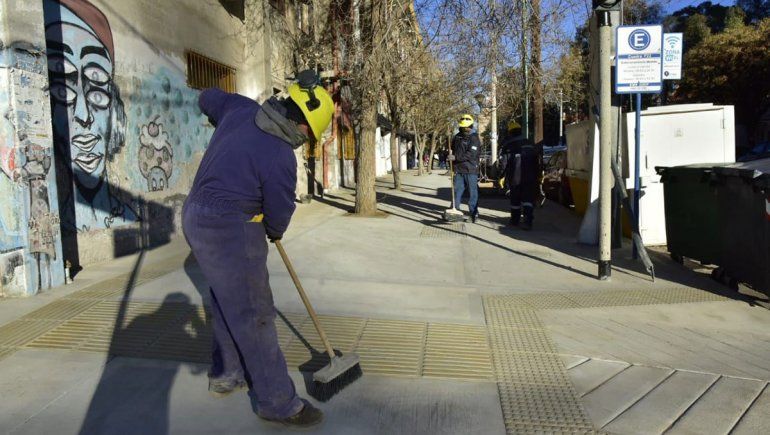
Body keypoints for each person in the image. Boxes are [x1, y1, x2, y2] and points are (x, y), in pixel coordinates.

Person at [182, 70, 334, 428]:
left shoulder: (239, 108)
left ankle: (227, 374)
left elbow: (207, 97)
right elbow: (279, 213)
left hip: (194, 216)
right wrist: (273, 230)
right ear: (302, 126)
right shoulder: (280, 154)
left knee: (225, 298)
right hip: (231, 227)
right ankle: (278, 402)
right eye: (309, 135)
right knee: (255, 313)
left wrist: (217, 119)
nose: (305, 141)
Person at [498, 120, 542, 230]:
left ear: (510, 132)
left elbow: (504, 163)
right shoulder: (530, 143)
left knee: (515, 199)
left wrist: (501, 176)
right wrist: (538, 174)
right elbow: (537, 160)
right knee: (528, 199)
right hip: (530, 176)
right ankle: (528, 221)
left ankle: (515, 220)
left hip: (515, 177)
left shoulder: (508, 145)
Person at [448, 114, 481, 222]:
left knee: (472, 193)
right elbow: (453, 150)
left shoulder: (474, 138)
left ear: (471, 126)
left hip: (471, 170)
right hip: (458, 169)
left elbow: (471, 154)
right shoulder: (457, 137)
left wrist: (455, 157)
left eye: (467, 127)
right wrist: (450, 156)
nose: (465, 129)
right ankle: (455, 211)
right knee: (457, 191)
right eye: (463, 127)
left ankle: (473, 214)